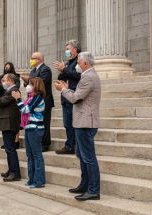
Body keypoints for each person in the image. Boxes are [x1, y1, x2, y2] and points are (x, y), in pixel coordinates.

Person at [55, 52, 101, 201]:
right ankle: (85, 184)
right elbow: (79, 95)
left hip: (86, 123)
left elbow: (75, 98)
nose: (77, 66)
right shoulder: (87, 76)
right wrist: (67, 88)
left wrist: (63, 90)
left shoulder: (88, 77)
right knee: (82, 155)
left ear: (85, 64)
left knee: (88, 157)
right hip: (82, 122)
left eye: (79, 64)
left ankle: (93, 190)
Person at [12, 77, 46, 188]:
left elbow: (26, 110)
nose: (28, 86)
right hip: (29, 128)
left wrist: (18, 100)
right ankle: (32, 179)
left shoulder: (38, 97)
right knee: (30, 155)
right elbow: (24, 109)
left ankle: (39, 181)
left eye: (30, 84)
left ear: (35, 85)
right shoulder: (31, 98)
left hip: (35, 128)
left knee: (36, 155)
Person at [20, 52, 54, 152]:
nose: (31, 60)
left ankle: (45, 143)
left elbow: (40, 83)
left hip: (44, 101)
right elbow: (29, 86)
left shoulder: (45, 69)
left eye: (32, 58)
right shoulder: (33, 71)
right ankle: (38, 142)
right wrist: (27, 81)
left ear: (38, 59)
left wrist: (28, 79)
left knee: (44, 122)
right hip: (33, 101)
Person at [54, 39, 82, 154]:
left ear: (75, 49)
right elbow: (62, 76)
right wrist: (61, 72)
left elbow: (78, 75)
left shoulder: (79, 61)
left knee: (74, 123)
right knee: (67, 124)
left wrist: (64, 69)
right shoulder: (69, 62)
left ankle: (75, 146)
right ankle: (70, 145)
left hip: (73, 95)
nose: (66, 51)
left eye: (67, 49)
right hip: (65, 96)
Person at [0, 62, 21, 149]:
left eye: (8, 68)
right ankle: (8, 143)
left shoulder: (15, 78)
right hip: (3, 98)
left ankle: (16, 142)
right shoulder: (1, 78)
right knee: (5, 124)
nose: (7, 69)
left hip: (10, 99)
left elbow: (15, 86)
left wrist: (6, 85)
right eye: (5, 67)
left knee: (12, 123)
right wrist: (3, 83)